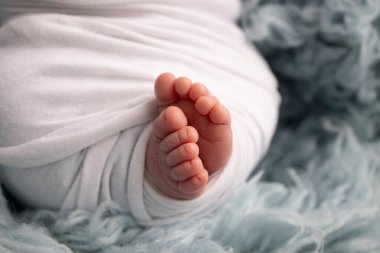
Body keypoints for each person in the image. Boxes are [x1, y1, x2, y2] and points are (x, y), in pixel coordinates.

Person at [0, 0, 280, 225]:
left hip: (202, 36)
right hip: (56, 33)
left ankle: (195, 171)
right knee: (13, 103)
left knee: (246, 98)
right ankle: (151, 176)